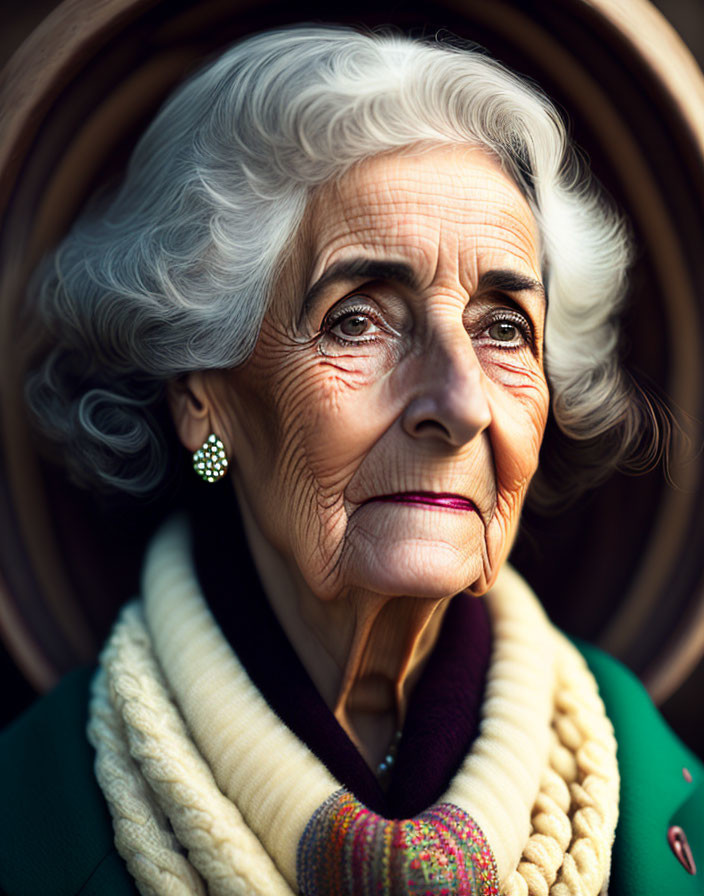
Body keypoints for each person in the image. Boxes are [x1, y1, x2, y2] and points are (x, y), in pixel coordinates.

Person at [1, 24, 702, 896]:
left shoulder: (657, 797)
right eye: (357, 320)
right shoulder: (31, 820)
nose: (459, 402)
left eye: (503, 328)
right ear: (200, 396)